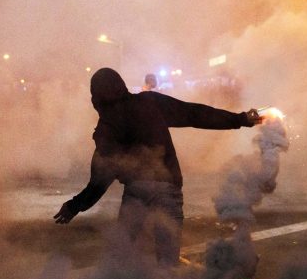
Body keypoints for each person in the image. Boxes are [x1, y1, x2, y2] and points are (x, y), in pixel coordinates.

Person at [54, 67, 261, 266]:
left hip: (136, 194)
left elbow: (100, 180)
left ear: (97, 97)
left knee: (120, 260)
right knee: (167, 265)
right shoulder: (149, 102)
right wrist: (240, 119)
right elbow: (193, 113)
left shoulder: (106, 128)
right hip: (167, 190)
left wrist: (74, 206)